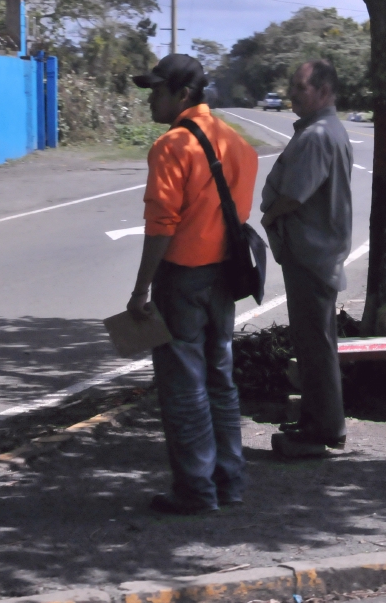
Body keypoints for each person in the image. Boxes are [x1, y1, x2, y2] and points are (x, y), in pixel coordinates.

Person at [125, 53, 258, 513]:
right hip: (225, 276)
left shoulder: (171, 147)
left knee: (184, 386)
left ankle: (196, 490)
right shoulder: (238, 144)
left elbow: (161, 225)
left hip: (183, 278)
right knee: (220, 379)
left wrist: (141, 289)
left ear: (183, 95)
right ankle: (230, 481)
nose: (150, 99)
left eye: (157, 91)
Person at [260, 60, 353, 458]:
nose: (293, 95)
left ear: (324, 91)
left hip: (312, 254)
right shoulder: (323, 130)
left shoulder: (317, 135)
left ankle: (323, 430)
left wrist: (270, 214)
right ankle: (320, 421)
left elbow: (295, 194)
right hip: (316, 252)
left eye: (300, 88)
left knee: (315, 344)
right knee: (315, 341)